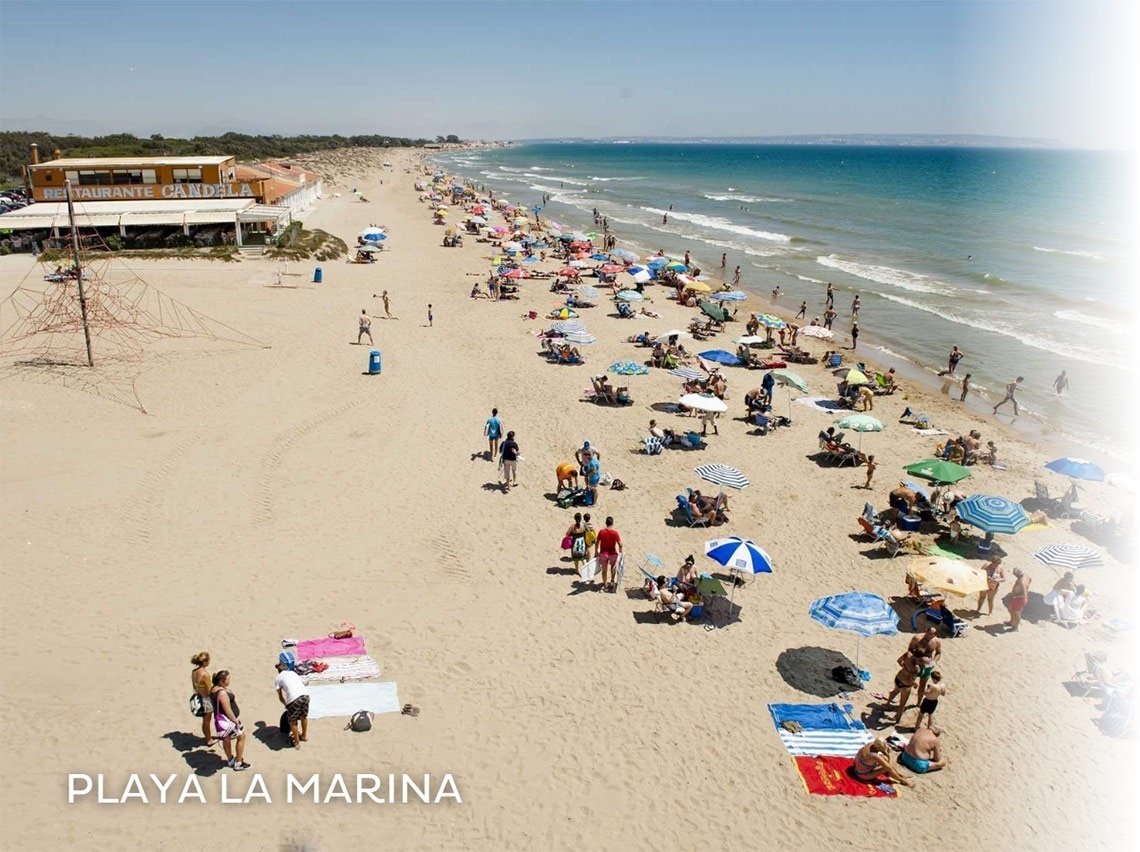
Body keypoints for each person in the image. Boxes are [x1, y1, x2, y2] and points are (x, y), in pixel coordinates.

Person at [210, 671, 249, 771]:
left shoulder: (214, 689)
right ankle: (239, 762)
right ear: (222, 681)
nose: (229, 680)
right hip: (228, 721)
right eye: (228, 679)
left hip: (220, 721)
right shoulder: (222, 693)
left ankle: (230, 760)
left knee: (226, 739)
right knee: (241, 736)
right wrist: (236, 721)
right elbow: (228, 710)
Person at [274, 661, 310, 749]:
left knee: (292, 721)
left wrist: (286, 704)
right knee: (303, 717)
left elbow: (280, 696)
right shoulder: (293, 673)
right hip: (305, 694)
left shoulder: (278, 678)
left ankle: (297, 743)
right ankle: (304, 736)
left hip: (294, 698)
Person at [909, 627, 942, 709]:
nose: (928, 636)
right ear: (925, 631)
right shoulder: (917, 638)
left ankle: (918, 703)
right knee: (908, 681)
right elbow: (910, 649)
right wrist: (916, 659)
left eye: (931, 635)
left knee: (922, 685)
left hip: (927, 665)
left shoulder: (937, 642)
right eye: (928, 634)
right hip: (915, 663)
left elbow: (938, 653)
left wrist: (934, 661)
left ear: (934, 635)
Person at [190, 652, 215, 744]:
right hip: (206, 700)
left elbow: (194, 685)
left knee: (205, 721)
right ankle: (209, 739)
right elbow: (209, 691)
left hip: (198, 696)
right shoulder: (205, 675)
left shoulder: (194, 672)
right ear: (205, 662)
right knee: (207, 721)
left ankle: (207, 737)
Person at [596, 516, 623, 593]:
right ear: (612, 523)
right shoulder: (615, 533)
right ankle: (612, 580)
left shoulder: (601, 532)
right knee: (613, 567)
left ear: (606, 523)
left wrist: (595, 552)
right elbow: (620, 544)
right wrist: (620, 552)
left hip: (603, 553)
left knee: (604, 570)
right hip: (612, 553)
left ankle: (605, 584)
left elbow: (597, 542)